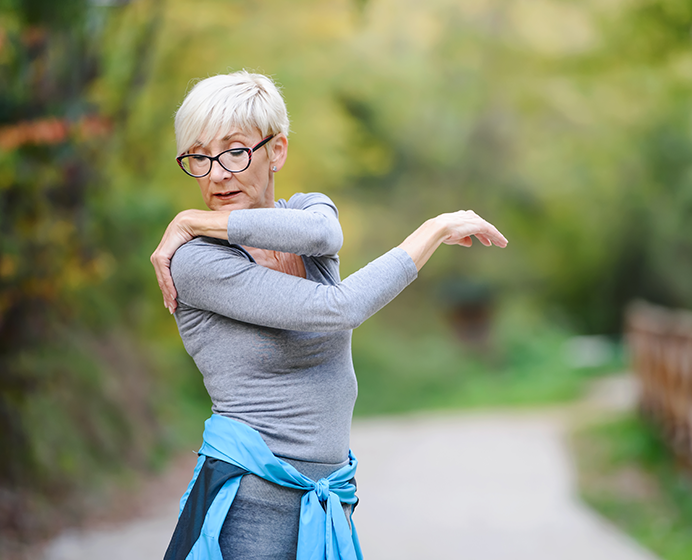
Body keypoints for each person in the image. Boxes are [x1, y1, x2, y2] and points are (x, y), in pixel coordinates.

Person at [150, 70, 507, 560]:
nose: (215, 173)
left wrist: (195, 218)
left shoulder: (308, 213)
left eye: (234, 151)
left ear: (277, 151)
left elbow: (324, 237)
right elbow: (338, 308)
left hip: (327, 500)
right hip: (248, 508)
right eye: (199, 156)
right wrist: (433, 230)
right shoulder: (196, 263)